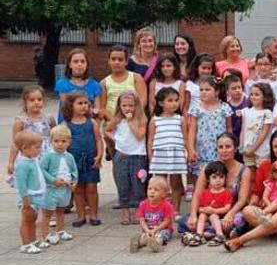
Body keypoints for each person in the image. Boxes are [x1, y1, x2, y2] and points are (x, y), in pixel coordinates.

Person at [181, 133, 252, 241]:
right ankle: (215, 232)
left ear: (235, 149)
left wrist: (230, 214)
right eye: (220, 147)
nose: (224, 150)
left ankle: (209, 232)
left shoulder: (244, 170)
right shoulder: (208, 168)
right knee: (184, 222)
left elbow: (242, 200)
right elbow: (197, 194)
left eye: (228, 147)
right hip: (209, 213)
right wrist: (193, 215)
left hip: (232, 211)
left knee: (240, 221)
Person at [105, 90, 148, 226]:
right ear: (120, 106)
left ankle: (138, 211)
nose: (127, 109)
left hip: (137, 157)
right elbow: (106, 130)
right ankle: (125, 212)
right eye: (124, 106)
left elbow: (140, 135)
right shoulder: (117, 120)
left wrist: (130, 121)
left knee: (138, 185)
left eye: (131, 105)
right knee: (123, 184)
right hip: (121, 156)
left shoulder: (141, 120)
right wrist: (116, 140)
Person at [61, 93, 103, 227]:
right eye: (80, 103)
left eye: (86, 103)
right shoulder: (66, 125)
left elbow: (98, 140)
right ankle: (80, 216)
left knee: (91, 188)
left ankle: (93, 215)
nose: (84, 106)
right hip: (74, 160)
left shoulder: (92, 122)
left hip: (91, 159)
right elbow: (63, 144)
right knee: (78, 189)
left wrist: (100, 154)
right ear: (70, 106)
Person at [99, 45, 147, 157]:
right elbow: (103, 107)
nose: (117, 62)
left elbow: (142, 100)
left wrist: (130, 117)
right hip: (113, 124)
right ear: (109, 61)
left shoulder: (136, 78)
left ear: (126, 62)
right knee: (117, 158)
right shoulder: (104, 83)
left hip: (133, 121)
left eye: (120, 59)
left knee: (133, 154)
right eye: (113, 59)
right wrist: (116, 120)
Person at [148, 87, 188, 212]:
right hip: (160, 155)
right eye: (170, 100)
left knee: (176, 184)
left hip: (176, 154)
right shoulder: (155, 120)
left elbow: (185, 138)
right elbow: (150, 140)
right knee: (159, 184)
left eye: (176, 100)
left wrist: (188, 152)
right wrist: (150, 157)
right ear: (161, 103)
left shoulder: (180, 119)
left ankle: (175, 210)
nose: (174, 103)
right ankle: (161, 209)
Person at [187, 76, 233, 179]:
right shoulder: (196, 109)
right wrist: (191, 149)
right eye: (201, 90)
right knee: (200, 178)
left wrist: (231, 147)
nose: (203, 92)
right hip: (201, 150)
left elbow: (229, 129)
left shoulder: (225, 108)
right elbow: (192, 131)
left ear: (216, 91)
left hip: (220, 150)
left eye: (207, 90)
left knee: (219, 177)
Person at [38, 125, 77, 247]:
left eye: (63, 141)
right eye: (56, 141)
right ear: (51, 141)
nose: (60, 144)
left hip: (65, 189)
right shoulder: (48, 156)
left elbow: (74, 170)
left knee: (61, 211)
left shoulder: (69, 156)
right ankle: (46, 234)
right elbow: (41, 169)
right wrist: (52, 180)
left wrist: (74, 182)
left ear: (69, 142)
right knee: (47, 213)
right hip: (51, 189)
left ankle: (60, 231)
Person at [7, 86, 55, 175]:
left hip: (47, 157)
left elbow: (56, 137)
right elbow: (15, 143)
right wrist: (11, 162)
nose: (36, 102)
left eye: (39, 99)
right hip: (29, 157)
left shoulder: (49, 118)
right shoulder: (21, 121)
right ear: (25, 102)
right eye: (32, 100)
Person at [14, 131, 47, 254]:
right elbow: (21, 183)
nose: (39, 150)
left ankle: (33, 240)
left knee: (33, 219)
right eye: (37, 147)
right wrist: (25, 199)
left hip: (36, 195)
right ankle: (25, 244)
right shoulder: (23, 164)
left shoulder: (32, 160)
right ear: (25, 148)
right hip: (28, 197)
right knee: (26, 220)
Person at [191, 161, 235, 246]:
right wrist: (204, 210)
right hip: (208, 217)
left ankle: (220, 235)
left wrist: (213, 210)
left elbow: (227, 208)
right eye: (214, 177)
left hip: (221, 217)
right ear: (208, 179)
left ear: (225, 178)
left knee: (213, 216)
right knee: (202, 215)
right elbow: (200, 208)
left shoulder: (226, 192)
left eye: (221, 177)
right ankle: (199, 235)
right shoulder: (205, 193)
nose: (218, 180)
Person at [54, 48, 102, 123]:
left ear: (87, 64)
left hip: (88, 126)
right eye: (75, 61)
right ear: (70, 64)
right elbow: (68, 108)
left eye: (82, 61)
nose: (79, 64)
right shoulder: (62, 84)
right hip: (67, 126)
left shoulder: (95, 85)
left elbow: (97, 110)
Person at [131, 176, 175, 253]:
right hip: (148, 229)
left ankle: (156, 244)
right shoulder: (143, 204)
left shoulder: (167, 205)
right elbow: (142, 220)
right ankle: (138, 243)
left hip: (163, 229)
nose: (152, 192)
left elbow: (167, 221)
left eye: (156, 190)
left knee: (161, 236)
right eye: (149, 189)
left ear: (164, 194)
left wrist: (156, 229)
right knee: (145, 236)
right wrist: (147, 230)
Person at [239, 83, 274, 169]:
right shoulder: (246, 111)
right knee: (249, 172)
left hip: (262, 150)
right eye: (251, 94)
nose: (253, 97)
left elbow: (264, 133)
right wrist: (241, 146)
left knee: (262, 172)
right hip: (247, 149)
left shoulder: (267, 113)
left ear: (265, 97)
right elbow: (243, 130)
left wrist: (253, 148)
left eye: (257, 95)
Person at [225, 73, 249, 146]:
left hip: (247, 138)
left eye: (239, 87)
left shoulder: (248, 102)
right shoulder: (226, 106)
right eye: (234, 88)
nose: (238, 90)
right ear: (227, 91)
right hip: (233, 138)